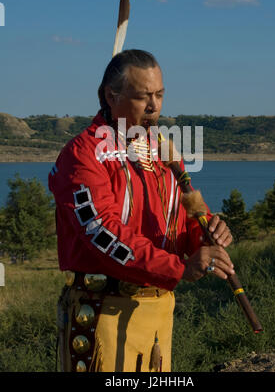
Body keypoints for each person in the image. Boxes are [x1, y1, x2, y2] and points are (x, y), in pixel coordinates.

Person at [49, 49, 234, 373]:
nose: (155, 106)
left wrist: (205, 236)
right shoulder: (83, 155)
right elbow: (102, 232)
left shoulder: (161, 150)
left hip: (159, 314)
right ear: (111, 95)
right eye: (143, 96)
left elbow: (182, 217)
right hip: (103, 314)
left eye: (160, 95)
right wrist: (177, 268)